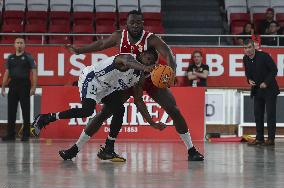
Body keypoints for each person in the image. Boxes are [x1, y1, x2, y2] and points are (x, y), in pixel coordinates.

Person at [64, 10, 204, 161]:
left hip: (150, 78)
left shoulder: (151, 38)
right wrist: (79, 50)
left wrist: (172, 72)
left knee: (173, 110)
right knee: (105, 113)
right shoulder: (119, 36)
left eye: (138, 22)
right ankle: (75, 148)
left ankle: (191, 150)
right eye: (132, 23)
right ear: (127, 24)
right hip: (126, 80)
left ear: (143, 23)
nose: (135, 25)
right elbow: (101, 44)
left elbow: (168, 53)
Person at [34, 49, 166, 161]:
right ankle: (47, 118)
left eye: (152, 61)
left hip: (106, 88)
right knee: (87, 111)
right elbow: (127, 62)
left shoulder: (139, 77)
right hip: (92, 79)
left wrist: (152, 123)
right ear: (141, 54)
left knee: (120, 109)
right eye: (148, 58)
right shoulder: (127, 57)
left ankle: (107, 149)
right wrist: (145, 67)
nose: (149, 62)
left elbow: (138, 100)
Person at [243, 39, 279, 146]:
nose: (248, 50)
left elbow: (274, 70)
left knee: (270, 115)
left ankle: (271, 139)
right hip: (257, 90)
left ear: (254, 47)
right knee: (258, 114)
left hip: (270, 90)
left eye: (249, 47)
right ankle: (260, 138)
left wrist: (266, 82)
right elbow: (247, 72)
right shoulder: (245, 59)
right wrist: (249, 79)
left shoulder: (264, 56)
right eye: (245, 48)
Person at [1, 37, 38, 141]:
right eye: (17, 43)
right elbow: (7, 72)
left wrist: (34, 87)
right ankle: (10, 135)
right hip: (13, 84)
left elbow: (34, 72)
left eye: (21, 43)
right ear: (14, 45)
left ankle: (26, 134)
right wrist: (3, 86)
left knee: (25, 110)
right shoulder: (10, 58)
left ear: (24, 45)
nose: (19, 45)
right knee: (11, 110)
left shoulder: (28, 57)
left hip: (24, 84)